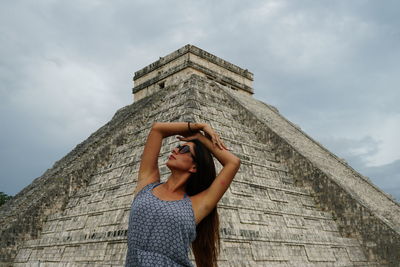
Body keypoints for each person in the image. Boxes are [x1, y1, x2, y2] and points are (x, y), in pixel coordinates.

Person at [125, 122, 241, 267]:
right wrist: (201, 126)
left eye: (184, 149)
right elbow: (157, 130)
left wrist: (201, 139)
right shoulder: (147, 183)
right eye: (177, 146)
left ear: (194, 166)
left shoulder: (196, 205)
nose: (175, 149)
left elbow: (233, 162)